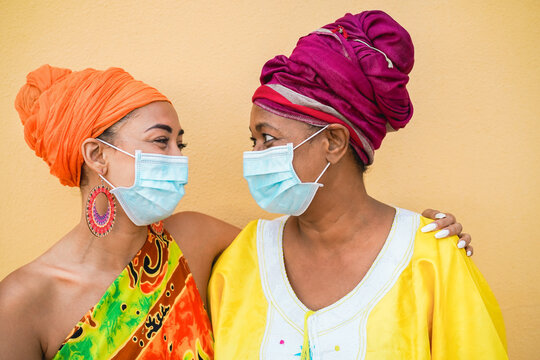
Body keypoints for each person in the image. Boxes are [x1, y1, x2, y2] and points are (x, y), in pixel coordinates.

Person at [0, 64, 467, 358]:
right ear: (96, 156)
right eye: (160, 141)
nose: (178, 160)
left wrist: (415, 239)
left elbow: (315, 247)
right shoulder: (21, 302)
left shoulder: (194, 240)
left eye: (180, 144)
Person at [208, 11, 507, 359]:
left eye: (269, 139)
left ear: (333, 142)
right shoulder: (242, 260)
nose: (255, 156)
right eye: (254, 140)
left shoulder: (431, 260)